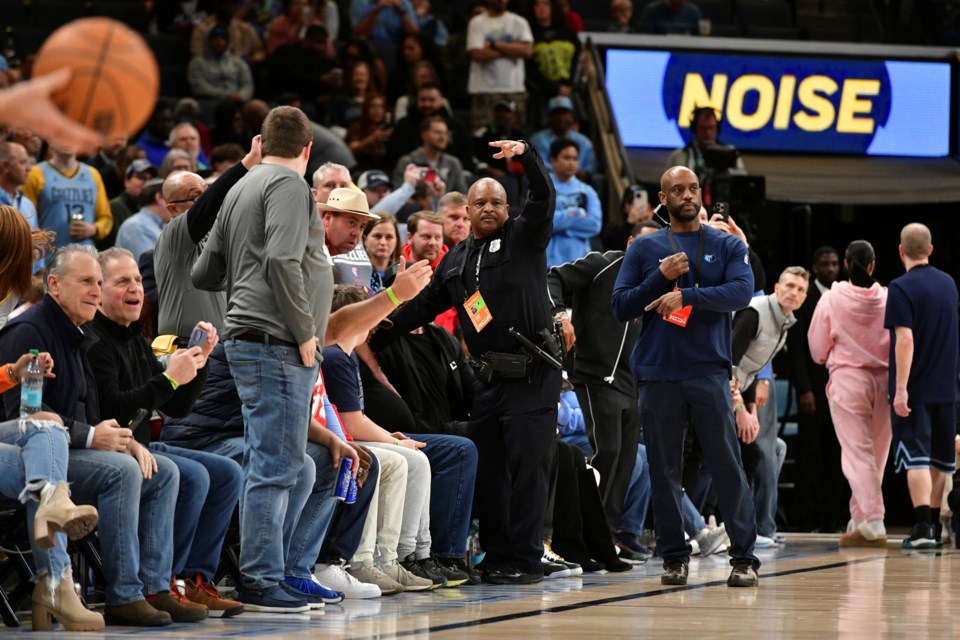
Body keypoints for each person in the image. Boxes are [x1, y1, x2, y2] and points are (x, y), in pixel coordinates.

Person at [190, 106, 432, 611]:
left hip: (253, 337)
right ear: (307, 150)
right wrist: (303, 331)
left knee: (293, 462)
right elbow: (281, 259)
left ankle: (282, 572)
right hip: (275, 342)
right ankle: (260, 579)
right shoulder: (289, 187)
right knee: (276, 467)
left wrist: (247, 286)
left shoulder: (239, 188)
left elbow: (205, 272)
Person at [370, 139, 561, 585]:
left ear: (508, 207)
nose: (489, 208)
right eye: (481, 202)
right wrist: (373, 331)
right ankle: (496, 555)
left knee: (528, 468)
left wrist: (527, 156)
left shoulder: (524, 235)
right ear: (466, 210)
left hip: (533, 373)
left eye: (497, 201)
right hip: (489, 381)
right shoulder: (455, 259)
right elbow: (423, 307)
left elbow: (544, 196)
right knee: (491, 468)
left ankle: (527, 558)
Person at [0, 245, 185, 626]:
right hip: (40, 452)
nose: (95, 291)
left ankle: (155, 587)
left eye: (99, 283)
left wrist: (125, 438)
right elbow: (22, 415)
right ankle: (123, 594)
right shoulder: (31, 331)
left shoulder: (78, 333)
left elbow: (94, 412)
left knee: (162, 471)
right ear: (53, 284)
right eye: (86, 281)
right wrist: (89, 437)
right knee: (118, 470)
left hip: (61, 451)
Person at [611, 165, 759, 588]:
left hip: (708, 371)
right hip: (658, 373)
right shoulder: (645, 248)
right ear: (663, 199)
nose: (688, 195)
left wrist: (686, 294)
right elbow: (620, 306)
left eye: (693, 187)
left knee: (727, 466)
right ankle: (674, 558)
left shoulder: (727, 245)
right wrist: (660, 277)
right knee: (664, 470)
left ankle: (744, 558)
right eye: (678, 190)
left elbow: (741, 293)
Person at [546, 222, 647, 548]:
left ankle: (610, 535)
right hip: (594, 376)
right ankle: (585, 534)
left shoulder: (656, 282)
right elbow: (553, 276)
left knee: (627, 459)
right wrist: (561, 315)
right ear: (631, 242)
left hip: (631, 382)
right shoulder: (603, 263)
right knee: (608, 451)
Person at [807, 240, 891, 547]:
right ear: (872, 266)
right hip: (885, 380)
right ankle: (860, 520)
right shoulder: (887, 298)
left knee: (857, 453)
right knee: (876, 454)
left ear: (845, 264)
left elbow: (817, 348)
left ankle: (874, 518)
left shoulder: (831, 298)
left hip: (848, 379)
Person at [884, 223, 959, 548]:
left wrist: (901, 389)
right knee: (942, 460)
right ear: (930, 249)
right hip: (948, 388)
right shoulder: (949, 284)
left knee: (916, 457)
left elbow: (905, 339)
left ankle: (923, 527)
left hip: (917, 389)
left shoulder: (900, 287)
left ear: (901, 251)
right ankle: (935, 528)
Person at [730, 266, 808, 547]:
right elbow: (728, 363)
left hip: (738, 395)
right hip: (716, 394)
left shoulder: (785, 323)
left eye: (800, 290)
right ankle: (735, 527)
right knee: (743, 454)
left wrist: (750, 410)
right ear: (776, 287)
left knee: (774, 447)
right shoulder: (755, 312)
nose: (793, 293)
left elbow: (750, 372)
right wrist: (740, 409)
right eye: (789, 286)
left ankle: (757, 526)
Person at [784, 245, 847, 532]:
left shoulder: (844, 295)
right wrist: (804, 389)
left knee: (836, 456)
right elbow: (796, 350)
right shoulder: (806, 299)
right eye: (825, 264)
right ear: (815, 267)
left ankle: (832, 516)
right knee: (810, 456)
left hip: (840, 390)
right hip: (814, 390)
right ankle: (804, 517)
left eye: (835, 264)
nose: (831, 269)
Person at [22, 145, 112, 254]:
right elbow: (26, 220)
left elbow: (106, 218)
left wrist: (94, 229)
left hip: (86, 256)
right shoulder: (35, 174)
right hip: (49, 257)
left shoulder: (93, 174)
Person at [467, 0, 534, 128]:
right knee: (483, 135)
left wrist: (494, 45)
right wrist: (512, 48)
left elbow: (527, 50)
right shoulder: (476, 23)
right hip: (483, 89)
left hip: (514, 88)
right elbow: (477, 54)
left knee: (515, 137)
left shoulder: (519, 22)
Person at [545, 138, 601, 268]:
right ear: (553, 160)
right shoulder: (542, 188)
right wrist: (577, 213)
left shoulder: (588, 191)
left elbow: (594, 225)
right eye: (566, 158)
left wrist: (561, 226)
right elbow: (544, 222)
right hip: (548, 263)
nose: (571, 163)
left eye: (575, 158)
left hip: (580, 262)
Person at [665, 106, 746, 195]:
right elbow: (667, 187)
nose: (708, 133)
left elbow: (742, 181)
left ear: (717, 129)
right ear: (694, 128)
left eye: (711, 128)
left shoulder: (730, 153)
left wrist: (727, 172)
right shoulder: (678, 156)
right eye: (703, 128)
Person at [529, 96, 596, 177]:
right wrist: (564, 172)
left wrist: (580, 173)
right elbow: (539, 166)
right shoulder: (537, 140)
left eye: (564, 113)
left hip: (578, 182)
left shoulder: (584, 141)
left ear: (571, 116)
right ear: (549, 117)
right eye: (556, 113)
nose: (561, 117)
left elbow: (591, 167)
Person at [115, 179, 169, 262]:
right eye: (171, 198)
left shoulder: (164, 226)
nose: (175, 205)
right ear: (158, 197)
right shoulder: (136, 226)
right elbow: (150, 266)